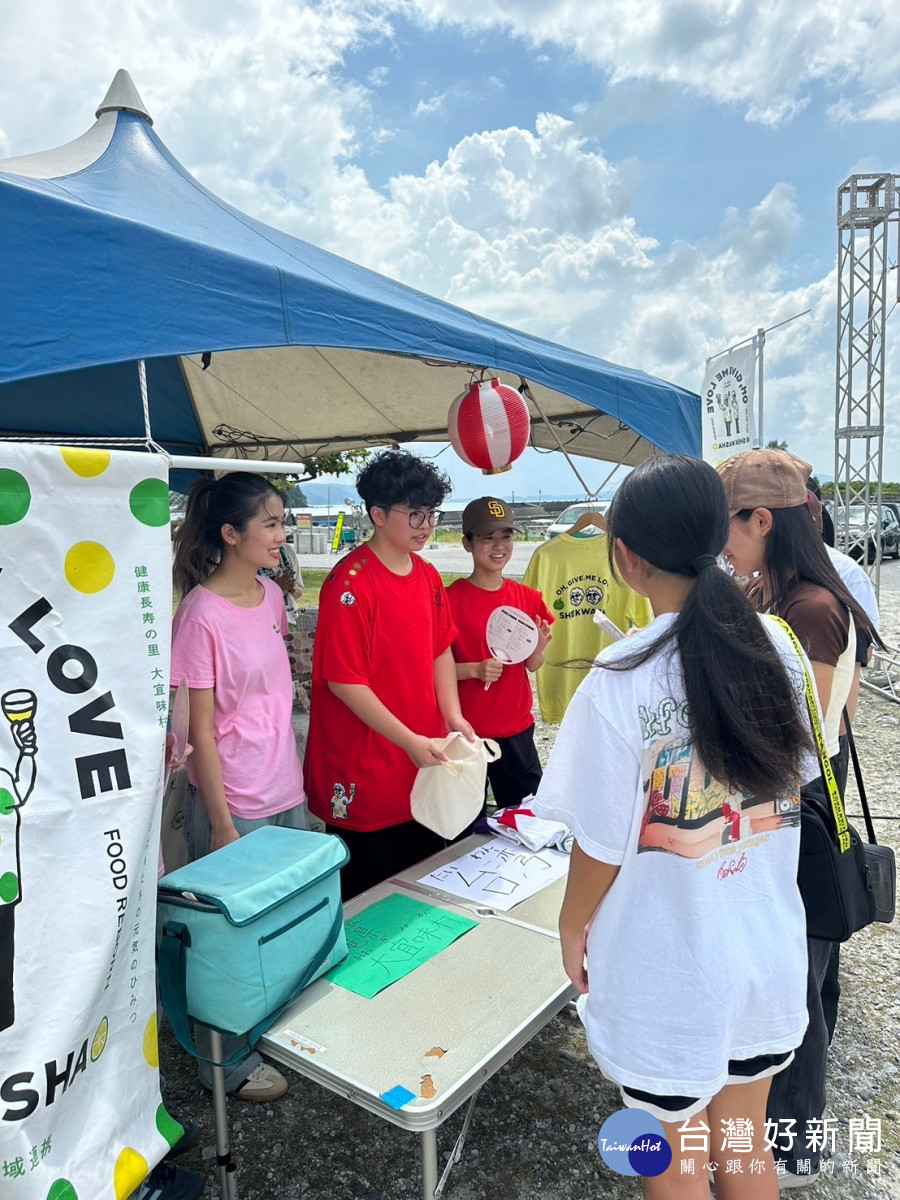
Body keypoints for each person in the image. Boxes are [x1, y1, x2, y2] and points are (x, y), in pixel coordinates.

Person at [535, 454, 817, 1199]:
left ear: (626, 558)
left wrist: (571, 927)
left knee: (679, 1162)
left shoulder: (620, 675)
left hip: (671, 972)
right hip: (764, 952)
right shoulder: (779, 645)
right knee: (744, 1146)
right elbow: (797, 785)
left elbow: (599, 842)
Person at [716, 448, 881, 1188]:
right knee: (806, 968)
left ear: (763, 520)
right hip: (792, 799)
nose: (723, 540)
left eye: (730, 524)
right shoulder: (769, 590)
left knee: (798, 984)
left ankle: (797, 1143)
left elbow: (796, 730)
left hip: (802, 802)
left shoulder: (811, 606)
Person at [170, 472, 306, 1103]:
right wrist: (221, 822)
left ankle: (268, 1031)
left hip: (285, 787)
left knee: (280, 923)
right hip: (235, 802)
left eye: (283, 521)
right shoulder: (200, 614)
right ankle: (225, 1064)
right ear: (231, 533)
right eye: (272, 524)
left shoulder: (270, 596)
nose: (283, 534)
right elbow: (199, 727)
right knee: (229, 938)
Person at [304, 450, 475, 899]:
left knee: (422, 878)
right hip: (366, 763)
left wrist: (453, 716)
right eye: (414, 514)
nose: (426, 524)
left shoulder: (428, 575)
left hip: (423, 755)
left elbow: (441, 648)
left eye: (431, 514)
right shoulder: (350, 584)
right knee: (369, 891)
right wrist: (410, 741)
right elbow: (345, 681)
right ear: (377, 514)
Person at [447, 497, 553, 809]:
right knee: (464, 824)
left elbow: (532, 666)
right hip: (466, 733)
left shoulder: (528, 598)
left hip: (516, 729)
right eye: (486, 538)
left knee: (526, 816)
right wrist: (474, 670)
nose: (498, 546)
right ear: (467, 544)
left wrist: (538, 651)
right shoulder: (450, 600)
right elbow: (430, 670)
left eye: (506, 536)